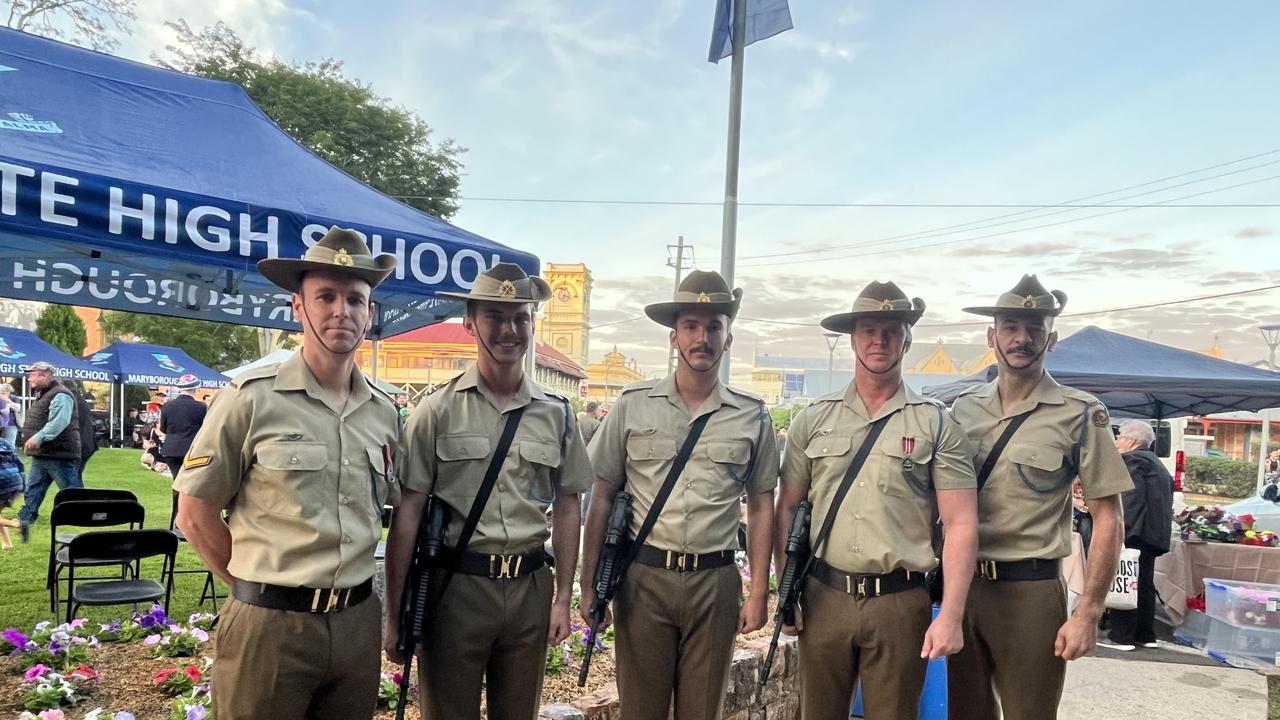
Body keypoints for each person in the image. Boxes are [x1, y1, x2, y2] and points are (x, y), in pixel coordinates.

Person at [175, 227, 402, 720]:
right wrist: (252, 589)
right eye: (325, 296)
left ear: (370, 312)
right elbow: (194, 512)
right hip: (270, 624)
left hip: (356, 622)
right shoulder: (251, 396)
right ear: (298, 308)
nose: (341, 310)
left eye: (355, 299)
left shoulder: (384, 412)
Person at [384, 263, 592, 720]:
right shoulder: (435, 412)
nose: (509, 330)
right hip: (456, 587)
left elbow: (569, 505)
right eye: (495, 317)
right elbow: (409, 514)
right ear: (470, 322)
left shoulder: (557, 414)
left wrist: (562, 597)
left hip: (529, 588)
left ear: (532, 323)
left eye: (520, 317)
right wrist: (396, 613)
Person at [776, 281, 978, 719]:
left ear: (908, 338)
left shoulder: (935, 425)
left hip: (899, 602)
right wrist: (786, 589)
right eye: (869, 328)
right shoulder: (813, 419)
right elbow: (787, 508)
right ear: (852, 337)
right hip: (824, 597)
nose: (879, 340)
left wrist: (952, 615)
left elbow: (961, 522)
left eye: (891, 329)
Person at [581, 270, 778, 720]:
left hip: (715, 580)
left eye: (713, 327)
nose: (702, 337)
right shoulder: (633, 404)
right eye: (691, 325)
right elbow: (602, 496)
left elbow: (763, 506)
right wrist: (590, 584)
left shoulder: (752, 416)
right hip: (645, 580)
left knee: (702, 711)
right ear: (673, 337)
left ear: (728, 340)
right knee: (640, 710)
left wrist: (759, 592)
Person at [947, 275, 1132, 720]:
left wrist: (1088, 611)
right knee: (964, 713)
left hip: (1030, 593)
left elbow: (1109, 518)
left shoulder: (1080, 412)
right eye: (1010, 325)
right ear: (992, 336)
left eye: (1034, 328)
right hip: (962, 589)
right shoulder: (963, 409)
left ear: (1052, 338)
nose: (1022, 338)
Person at [1102, 420, 1174, 651]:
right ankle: (1145, 634)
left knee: (1126, 580)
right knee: (1144, 584)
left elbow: (1129, 500)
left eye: (1120, 436)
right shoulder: (1157, 464)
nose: (1117, 441)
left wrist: (1120, 532)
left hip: (1135, 532)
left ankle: (1121, 636)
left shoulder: (1133, 460)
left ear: (1132, 440)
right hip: (1155, 535)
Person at [16, 361, 82, 542]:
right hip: (44, 452)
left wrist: (38, 437)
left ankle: (86, 515)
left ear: (45, 375)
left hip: (58, 453)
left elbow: (58, 422)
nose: (30, 378)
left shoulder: (60, 395)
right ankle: (26, 517)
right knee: (34, 487)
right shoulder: (45, 394)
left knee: (70, 490)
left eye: (33, 374)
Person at [61, 379, 98, 482]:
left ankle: (77, 496)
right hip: (87, 443)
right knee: (75, 475)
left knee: (73, 476)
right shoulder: (79, 399)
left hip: (80, 444)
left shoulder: (70, 401)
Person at [0, 435, 24, 549]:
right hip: (16, 482)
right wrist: (22, 485)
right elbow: (19, 463)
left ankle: (16, 523)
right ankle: (7, 543)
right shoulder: (4, 442)